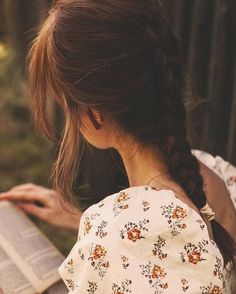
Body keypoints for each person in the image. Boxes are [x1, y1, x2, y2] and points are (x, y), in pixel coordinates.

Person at [1, 0, 236, 293]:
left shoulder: (114, 232)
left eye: (65, 107)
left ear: (93, 114)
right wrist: (79, 221)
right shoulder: (213, 179)